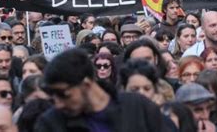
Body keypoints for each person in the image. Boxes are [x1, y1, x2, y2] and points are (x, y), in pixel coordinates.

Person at [35, 48, 173, 132]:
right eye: (53, 95)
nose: (58, 103)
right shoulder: (51, 123)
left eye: (63, 94)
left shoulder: (137, 107)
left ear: (86, 84)